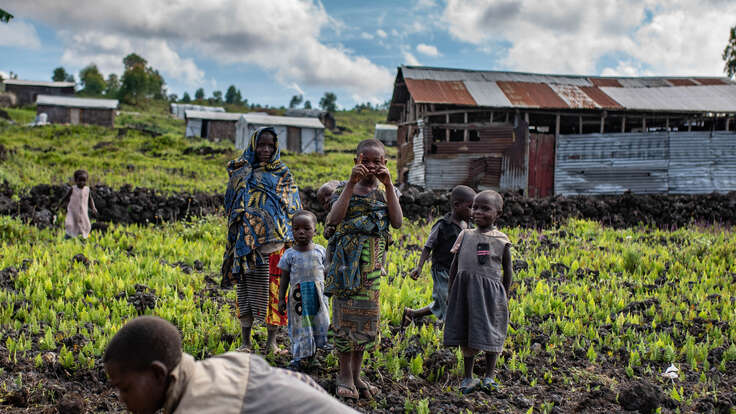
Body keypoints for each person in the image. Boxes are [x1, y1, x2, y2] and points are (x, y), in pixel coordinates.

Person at [103, 316, 357, 414]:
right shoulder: (225, 364)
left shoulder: (201, 408)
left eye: (125, 388)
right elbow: (301, 382)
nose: (121, 398)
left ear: (158, 374)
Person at [325, 139, 402, 400]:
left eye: (376, 162)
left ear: (386, 164)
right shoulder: (342, 190)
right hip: (345, 263)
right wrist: (349, 184)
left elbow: (397, 222)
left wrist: (389, 185)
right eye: (365, 161)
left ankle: (357, 374)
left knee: (366, 320)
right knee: (345, 318)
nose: (370, 166)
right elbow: (334, 220)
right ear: (356, 161)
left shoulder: (386, 193)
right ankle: (343, 374)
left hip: (372, 266)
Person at [221, 127, 301, 354]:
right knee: (246, 292)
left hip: (275, 244)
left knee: (275, 294)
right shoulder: (241, 171)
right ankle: (246, 342)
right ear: (253, 145)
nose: (265, 150)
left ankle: (271, 342)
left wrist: (293, 239)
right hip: (246, 244)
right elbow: (230, 203)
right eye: (261, 145)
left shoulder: (283, 173)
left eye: (270, 146)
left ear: (275, 148)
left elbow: (293, 208)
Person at [443, 190, 513, 394]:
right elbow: (454, 267)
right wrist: (450, 292)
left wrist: (505, 295)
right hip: (465, 292)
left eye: (485, 208)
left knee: (491, 332)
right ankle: (468, 377)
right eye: (475, 207)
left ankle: (489, 376)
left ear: (498, 213)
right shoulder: (464, 235)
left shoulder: (501, 240)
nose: (478, 212)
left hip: (491, 295)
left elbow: (508, 270)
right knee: (467, 332)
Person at [401, 185, 475, 328]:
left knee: (444, 300)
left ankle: (412, 314)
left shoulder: (468, 226)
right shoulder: (442, 225)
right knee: (447, 300)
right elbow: (428, 246)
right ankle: (450, 333)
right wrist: (419, 267)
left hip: (457, 271)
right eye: (470, 207)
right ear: (457, 205)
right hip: (441, 270)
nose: (473, 211)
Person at [277, 210, 331, 371]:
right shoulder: (289, 255)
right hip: (298, 299)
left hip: (318, 297)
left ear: (315, 230)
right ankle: (299, 358)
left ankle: (313, 357)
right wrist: (281, 299)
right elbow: (284, 278)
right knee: (300, 327)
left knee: (318, 325)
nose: (301, 232)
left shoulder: (320, 251)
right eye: (296, 228)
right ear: (291, 230)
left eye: (306, 228)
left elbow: (327, 272)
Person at [56, 169, 97, 239]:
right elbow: (66, 198)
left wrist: (93, 208)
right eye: (80, 180)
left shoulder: (87, 190)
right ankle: (67, 238)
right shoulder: (73, 189)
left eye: (84, 181)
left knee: (85, 224)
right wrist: (59, 205)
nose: (82, 183)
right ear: (75, 180)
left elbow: (90, 199)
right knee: (71, 225)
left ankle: (85, 238)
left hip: (83, 212)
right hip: (73, 212)